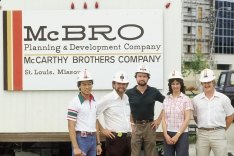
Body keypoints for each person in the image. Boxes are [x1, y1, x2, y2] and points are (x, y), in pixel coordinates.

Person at [192, 68, 234, 156]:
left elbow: (230, 116)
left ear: (213, 82)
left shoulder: (223, 98)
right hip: (202, 135)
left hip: (218, 134)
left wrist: (222, 129)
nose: (206, 85)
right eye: (204, 83)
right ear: (201, 84)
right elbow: (195, 117)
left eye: (209, 82)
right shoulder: (196, 100)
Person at [125, 64, 165, 156]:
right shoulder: (129, 93)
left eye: (144, 76)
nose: (142, 78)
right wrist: (131, 123)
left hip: (150, 127)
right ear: (136, 77)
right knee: (135, 153)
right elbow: (125, 109)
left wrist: (159, 120)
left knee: (151, 153)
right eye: (139, 76)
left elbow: (167, 103)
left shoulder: (154, 91)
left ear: (148, 78)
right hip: (136, 127)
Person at [67, 69, 102, 156]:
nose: (87, 87)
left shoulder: (94, 101)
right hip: (81, 140)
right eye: (84, 84)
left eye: (89, 84)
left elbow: (96, 123)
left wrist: (98, 143)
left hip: (93, 139)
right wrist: (75, 147)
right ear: (79, 86)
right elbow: (71, 126)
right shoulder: (74, 102)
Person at [97, 71, 131, 156]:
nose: (121, 86)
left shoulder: (126, 98)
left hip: (128, 138)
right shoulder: (107, 98)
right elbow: (92, 114)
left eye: (124, 84)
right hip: (114, 139)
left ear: (127, 85)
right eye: (119, 83)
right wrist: (102, 130)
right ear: (113, 84)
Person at [161, 70, 193, 156]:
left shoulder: (186, 99)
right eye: (173, 84)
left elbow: (187, 119)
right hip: (168, 133)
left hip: (182, 134)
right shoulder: (166, 99)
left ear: (181, 84)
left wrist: (177, 135)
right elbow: (163, 119)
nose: (175, 86)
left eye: (177, 83)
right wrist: (165, 134)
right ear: (170, 85)